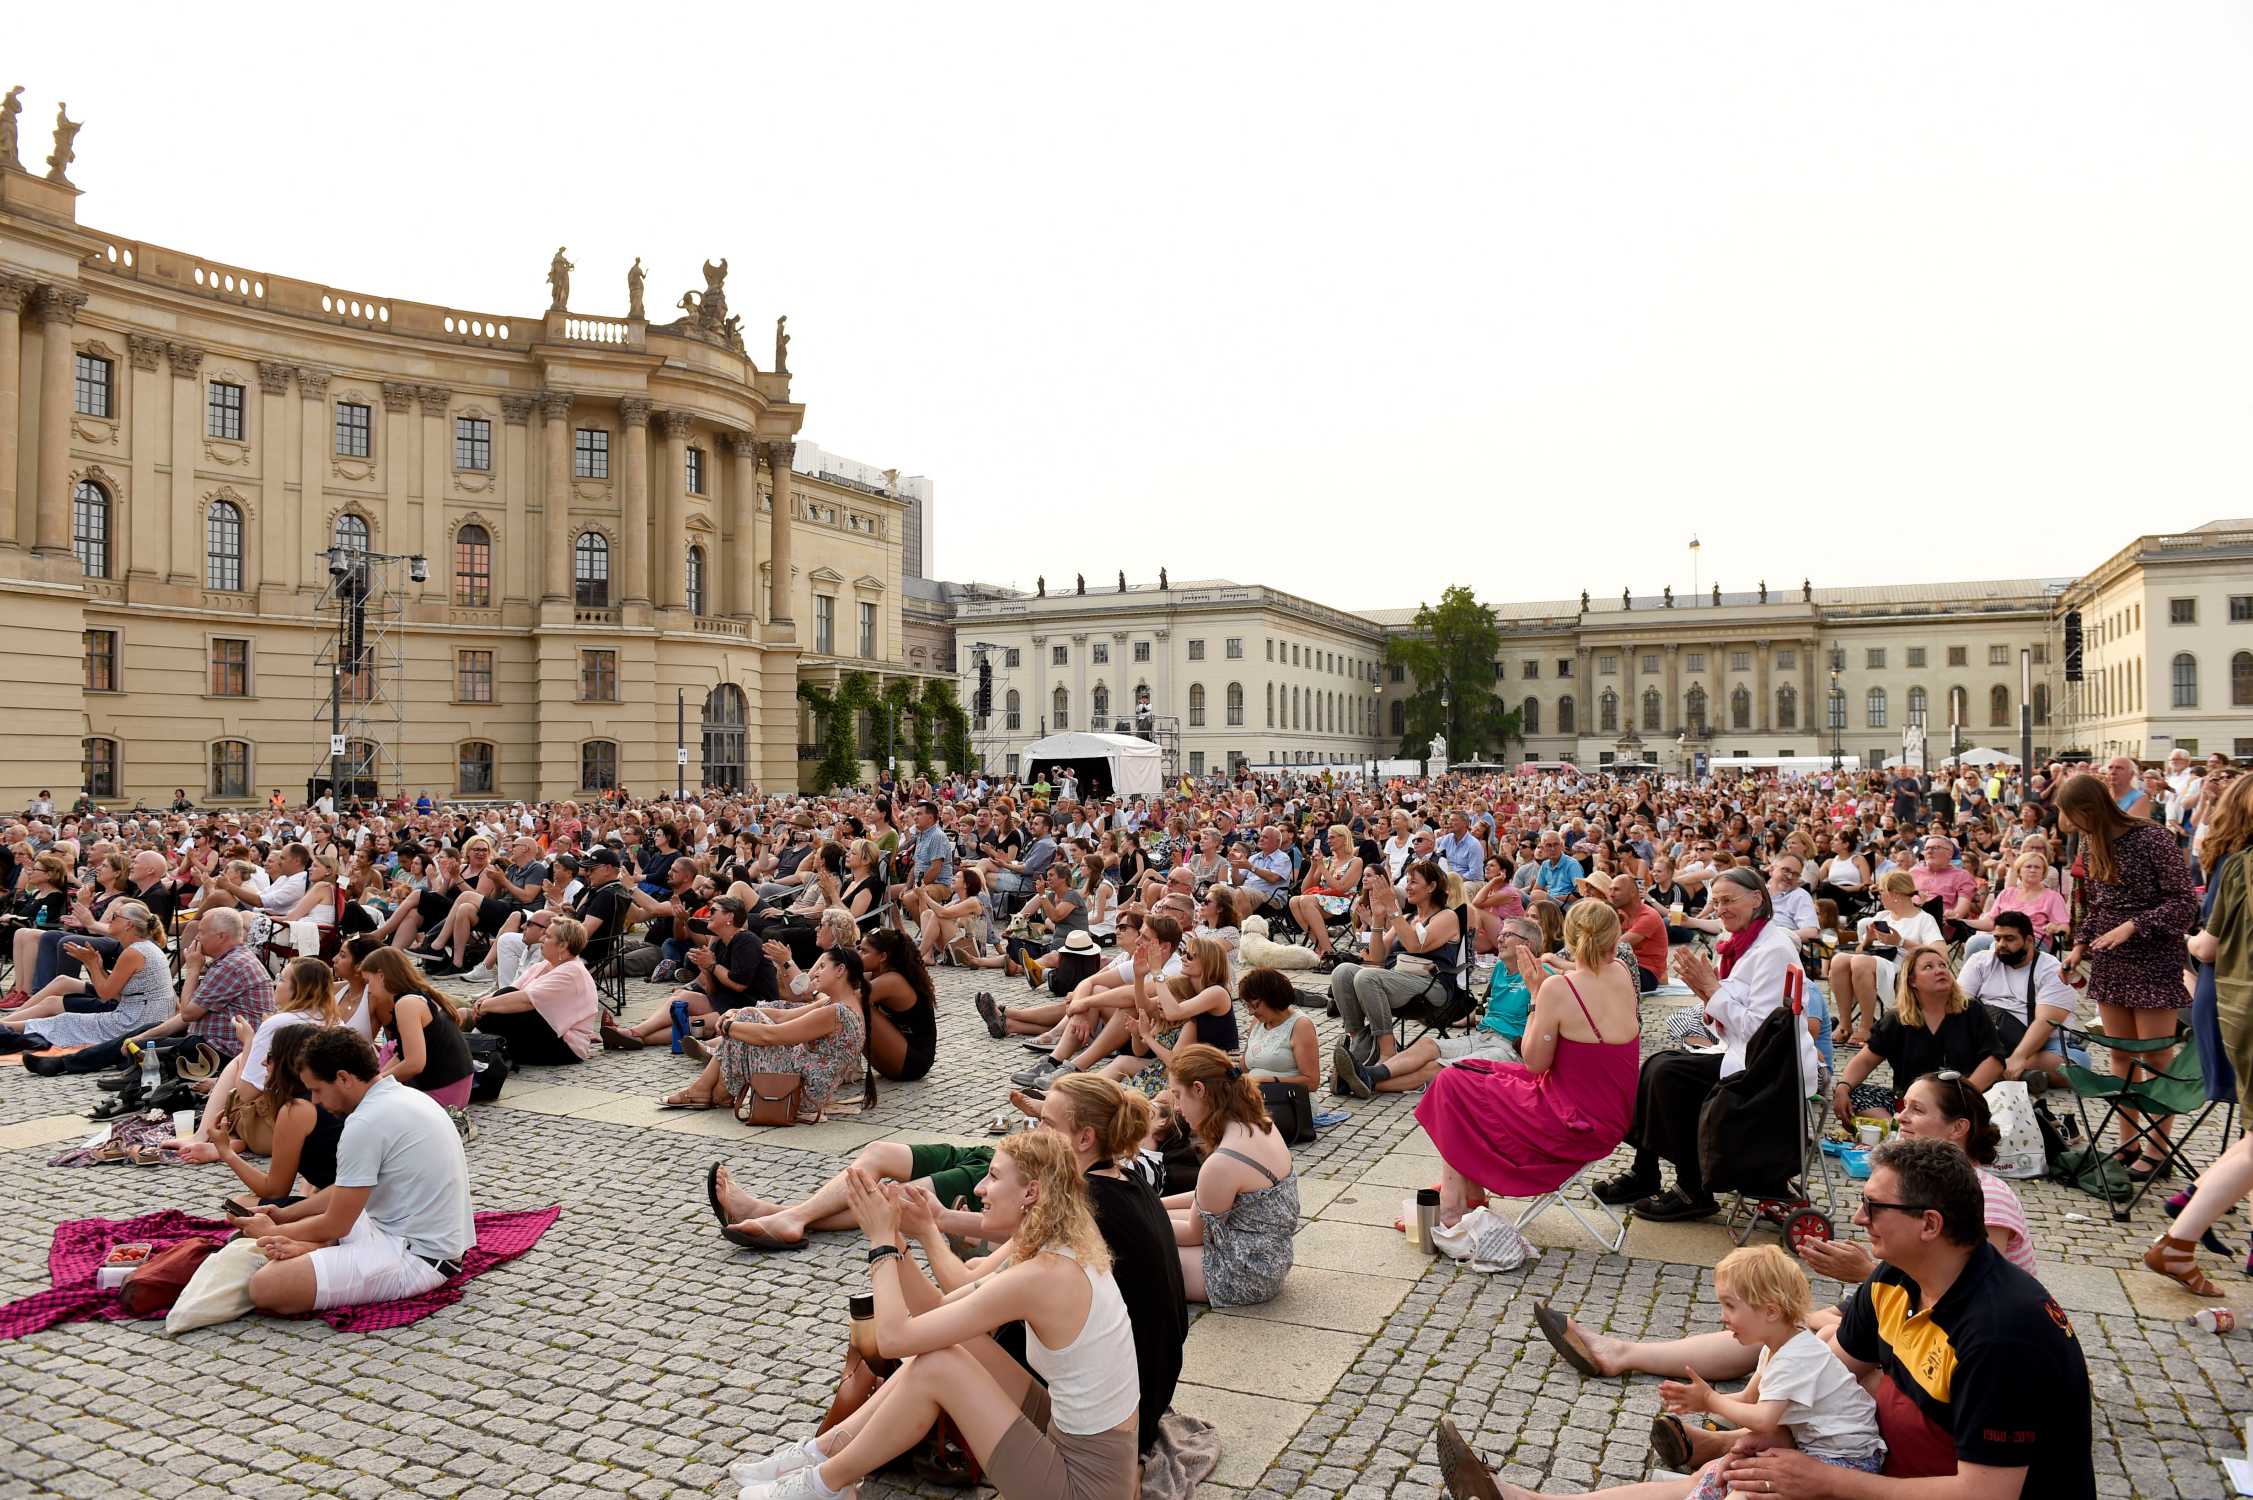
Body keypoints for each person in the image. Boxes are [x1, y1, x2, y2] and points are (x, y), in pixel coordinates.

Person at [1535, 1069, 2039, 1415]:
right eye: (1902, 1107)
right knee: (1791, 1321)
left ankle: (1743, 1413)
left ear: (1958, 1129)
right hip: (1903, 1306)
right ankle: (1626, 1354)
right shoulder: (1926, 1182)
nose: (1901, 1117)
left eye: (1916, 1111)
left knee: (1803, 1330)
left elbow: (1964, 1295)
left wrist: (1867, 1272)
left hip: (1949, 1345)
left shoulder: (1983, 1196)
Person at [731, 1131, 1141, 1500]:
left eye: (994, 1177)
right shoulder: (1053, 1240)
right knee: (950, 1343)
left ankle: (824, 1484)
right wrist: (898, 1235)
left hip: (1088, 1487)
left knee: (938, 1367)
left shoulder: (1041, 1274)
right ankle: (825, 1451)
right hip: (1073, 1434)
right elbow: (938, 1313)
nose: (980, 1187)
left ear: (1031, 1192)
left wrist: (878, 1242)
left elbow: (893, 1339)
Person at [1719, 1136, 2095, 1497]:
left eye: (1873, 1206)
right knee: (1737, 1480)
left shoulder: (2000, 1335)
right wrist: (1774, 1435)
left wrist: (1825, 1479)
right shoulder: (1897, 1276)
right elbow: (1825, 1377)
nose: (1858, 1217)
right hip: (1899, 1470)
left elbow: (1986, 1494)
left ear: (1930, 1225)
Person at [1447, 1244, 1884, 1500]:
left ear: (1770, 1310)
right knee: (1727, 1467)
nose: (1723, 1317)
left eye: (1730, 1307)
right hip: (1815, 1445)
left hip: (1845, 1461)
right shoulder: (1777, 1346)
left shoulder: (1797, 1356)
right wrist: (1706, 1404)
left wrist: (1709, 1401)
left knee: (1744, 1480)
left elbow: (1765, 1418)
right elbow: (1748, 1406)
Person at [1597, 867, 1812, 1223]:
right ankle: (1645, 1171)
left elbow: (1762, 1031)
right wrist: (1707, 992)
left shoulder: (1773, 949)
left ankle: (1692, 1188)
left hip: (1770, 1066)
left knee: (1670, 1075)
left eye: (1729, 901)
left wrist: (1711, 991)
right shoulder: (1740, 943)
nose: (1721, 909)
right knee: (1655, 1065)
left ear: (1757, 899)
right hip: (1743, 1053)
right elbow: (1730, 1015)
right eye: (1717, 901)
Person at [1414, 898, 1641, 1225]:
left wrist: (1536, 994)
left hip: (1570, 1122)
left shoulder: (1556, 990)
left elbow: (1534, 1063)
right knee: (1469, 1071)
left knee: (1452, 1083)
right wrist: (1552, 964)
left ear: (1569, 936)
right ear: (1615, 937)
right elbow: (1586, 970)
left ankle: (1454, 1204)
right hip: (1611, 1115)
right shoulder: (1620, 973)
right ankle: (1470, 1191)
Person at [239, 1026, 475, 1315]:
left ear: (343, 1078)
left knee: (265, 1286)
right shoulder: (401, 1095)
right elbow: (347, 1190)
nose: (314, 1100)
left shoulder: (365, 1122)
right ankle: (320, 1249)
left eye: (317, 1090)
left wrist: (276, 1230)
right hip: (421, 1240)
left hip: (418, 1257)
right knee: (292, 1226)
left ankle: (320, 1249)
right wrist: (286, 1214)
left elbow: (337, 1223)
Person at [2055, 771, 2199, 1181]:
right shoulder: (2091, 839)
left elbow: (2183, 904)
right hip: (2111, 961)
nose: (2070, 825)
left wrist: (2133, 926)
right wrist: (2079, 946)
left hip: (2153, 959)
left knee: (2155, 1056)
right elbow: (2098, 905)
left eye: (2071, 816)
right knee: (2119, 1053)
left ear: (2088, 809)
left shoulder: (2150, 837)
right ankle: (2128, 1141)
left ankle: (2158, 1152)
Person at [2146, 770, 2253, 1296]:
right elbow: (2209, 945)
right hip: (2239, 1000)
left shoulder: (2234, 863)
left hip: (2233, 999)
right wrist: (2189, 945)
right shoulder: (2243, 866)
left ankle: (2190, 1214)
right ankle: (2184, 1230)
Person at [1340, 915, 1544, 1096]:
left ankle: (1360, 1081)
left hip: (1508, 1048)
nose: (1499, 938)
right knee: (1428, 1045)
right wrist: (1466, 1020)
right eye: (1501, 933)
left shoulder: (1542, 974)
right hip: (1483, 1036)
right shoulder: (1501, 968)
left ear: (1528, 943)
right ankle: (1367, 1075)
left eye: (1508, 935)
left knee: (1438, 1067)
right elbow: (1492, 1007)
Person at [1162, 1042, 1298, 1306]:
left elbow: (1193, 1232)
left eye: (1178, 1095)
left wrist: (1141, 1218)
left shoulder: (1223, 1161)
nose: (1177, 1107)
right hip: (1270, 1258)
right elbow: (1206, 1198)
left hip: (1242, 1275)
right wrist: (1154, 1205)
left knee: (1135, 1246)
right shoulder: (1262, 1124)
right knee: (1160, 1218)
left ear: (1199, 1090)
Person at [662, 945, 870, 1114]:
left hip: (802, 1092)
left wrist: (729, 1026)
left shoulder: (837, 1012)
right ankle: (713, 1091)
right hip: (801, 1081)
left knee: (746, 1021)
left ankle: (710, 1091)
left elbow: (773, 1035)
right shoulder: (838, 1004)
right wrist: (738, 1012)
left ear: (841, 970)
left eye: (823, 966)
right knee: (746, 1016)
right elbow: (782, 1016)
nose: (815, 972)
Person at [178, 1024, 346, 1213]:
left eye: (270, 1057)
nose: (263, 1063)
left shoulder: (297, 1110)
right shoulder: (324, 1096)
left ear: (285, 1063)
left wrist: (226, 1151)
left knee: (241, 1204)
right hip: (343, 1195)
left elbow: (275, 1192)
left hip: (346, 1204)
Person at [1832, 946, 2006, 1123]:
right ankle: (1901, 1132)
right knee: (1854, 1094)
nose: (1939, 970)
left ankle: (1918, 1134)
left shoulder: (1971, 1010)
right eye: (1928, 967)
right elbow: (1866, 1060)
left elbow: (1994, 1060)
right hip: (1912, 1105)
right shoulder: (1897, 1019)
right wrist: (1843, 1087)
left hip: (1962, 1102)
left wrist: (1964, 1095)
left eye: (1943, 965)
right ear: (1912, 981)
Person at [0, 900, 176, 1068]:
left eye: (115, 916)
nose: (109, 919)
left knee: (66, 1021)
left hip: (138, 1020)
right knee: (66, 1019)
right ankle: (5, 1029)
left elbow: (106, 995)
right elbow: (116, 994)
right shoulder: (144, 948)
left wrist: (91, 964)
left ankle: (5, 1029)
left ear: (128, 924)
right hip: (143, 1015)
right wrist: (97, 966)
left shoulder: (134, 952)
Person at [1326, 856, 1463, 1070]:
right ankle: (1359, 1042)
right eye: (1407, 881)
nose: (1407, 887)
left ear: (1432, 886)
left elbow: (1415, 946)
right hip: (1399, 979)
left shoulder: (1447, 917)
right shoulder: (1408, 918)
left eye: (1413, 882)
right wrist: (1379, 919)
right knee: (1343, 972)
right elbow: (1377, 957)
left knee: (1367, 976)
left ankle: (1388, 1052)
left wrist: (1392, 907)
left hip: (1432, 986)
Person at [1826, 871, 1944, 1046]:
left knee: (1861, 962)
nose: (1879, 896)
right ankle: (1845, 1024)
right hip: (1872, 962)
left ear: (1894, 894)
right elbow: (1859, 952)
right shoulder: (1882, 916)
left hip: (1904, 967)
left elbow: (1941, 953)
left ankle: (1867, 1027)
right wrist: (1868, 940)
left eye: (1881, 891)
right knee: (1840, 960)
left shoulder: (1923, 919)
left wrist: (1901, 942)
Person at [466, 914, 599, 1065]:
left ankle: (470, 1048)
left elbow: (526, 1001)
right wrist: (485, 1000)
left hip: (564, 1046)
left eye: (548, 937)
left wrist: (485, 1006)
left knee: (497, 1011)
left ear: (563, 945)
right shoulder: (544, 965)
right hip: (545, 1032)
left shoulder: (572, 972)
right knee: (501, 1000)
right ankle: (472, 1045)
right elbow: (513, 987)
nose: (542, 939)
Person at [357, 946, 475, 1113]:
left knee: (386, 1055)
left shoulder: (407, 1004)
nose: (369, 990)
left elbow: (414, 1064)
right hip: (454, 1086)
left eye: (368, 982)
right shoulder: (413, 996)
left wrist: (374, 1086)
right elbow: (402, 1054)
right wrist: (375, 1081)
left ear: (381, 976)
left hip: (443, 1093)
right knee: (386, 1058)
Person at [859, 927, 938, 1082]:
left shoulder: (893, 980)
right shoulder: (877, 975)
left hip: (913, 1063)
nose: (859, 956)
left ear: (882, 957)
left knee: (858, 1008)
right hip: (896, 1056)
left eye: (864, 951)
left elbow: (846, 1000)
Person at [1238, 966, 1320, 1091]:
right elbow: (1244, 1067)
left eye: (1254, 1005)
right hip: (1255, 1098)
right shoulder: (1258, 1022)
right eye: (1247, 1006)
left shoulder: (1300, 1025)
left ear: (1271, 998)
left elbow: (1312, 1082)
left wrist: (1272, 1080)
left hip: (1286, 1102)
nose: (1250, 1012)